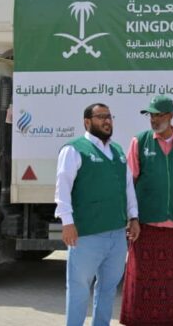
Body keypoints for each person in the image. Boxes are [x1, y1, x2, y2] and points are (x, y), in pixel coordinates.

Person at [120, 95, 173, 326]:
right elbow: (129, 182)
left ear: (171, 116)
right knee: (141, 280)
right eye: (151, 115)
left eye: (159, 115)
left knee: (170, 283)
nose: (154, 119)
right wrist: (131, 217)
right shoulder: (140, 141)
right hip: (145, 225)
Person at [55, 103, 140, 326]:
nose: (107, 121)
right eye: (100, 116)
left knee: (108, 289)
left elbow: (128, 187)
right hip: (86, 235)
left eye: (109, 116)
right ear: (87, 122)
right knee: (79, 289)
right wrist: (67, 223)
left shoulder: (118, 151)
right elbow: (62, 189)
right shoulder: (74, 149)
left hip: (116, 235)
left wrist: (133, 217)